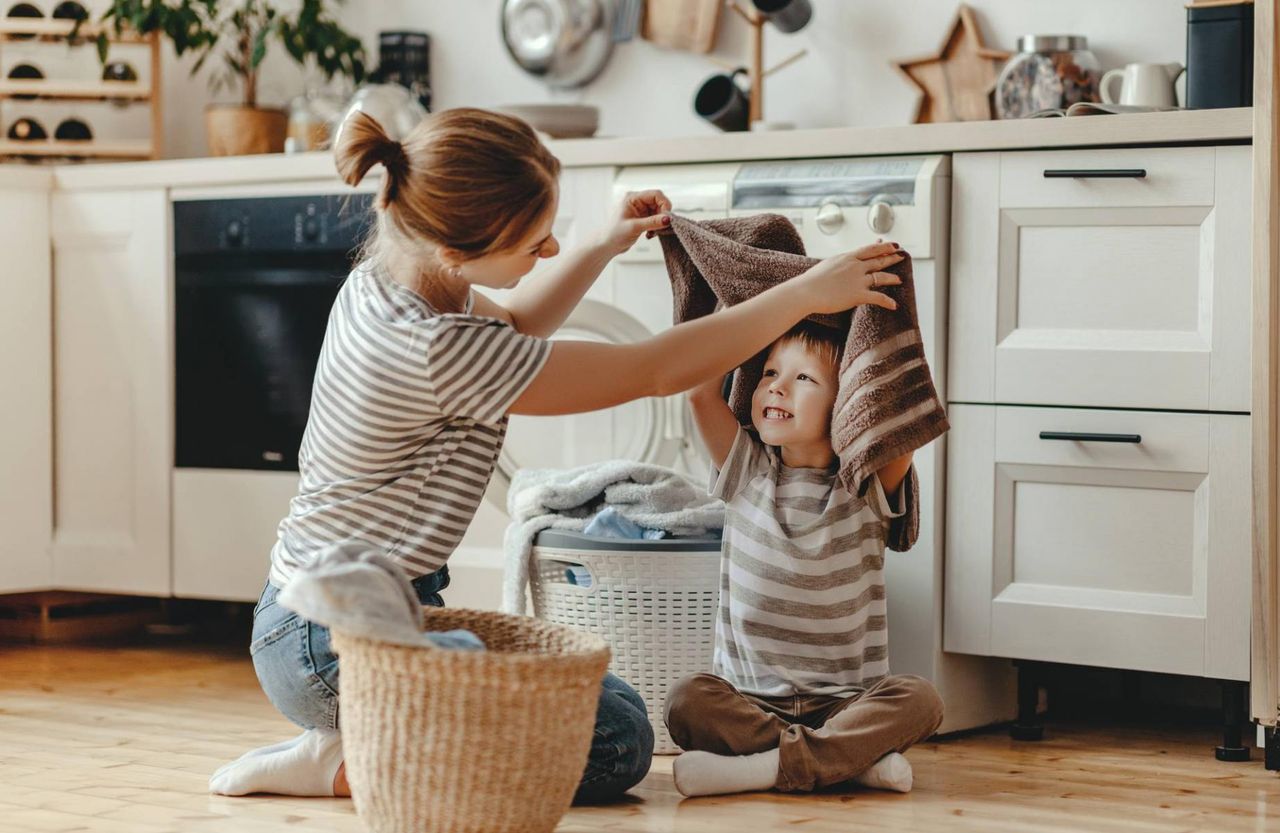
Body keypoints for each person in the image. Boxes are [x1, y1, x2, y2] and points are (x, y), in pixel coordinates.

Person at [208, 107, 905, 802]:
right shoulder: (434, 349)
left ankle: (369, 735)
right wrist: (804, 294)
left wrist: (604, 243)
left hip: (357, 614)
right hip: (326, 645)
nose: (546, 253)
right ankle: (345, 761)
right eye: (534, 242)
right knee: (615, 747)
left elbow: (517, 323)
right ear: (456, 250)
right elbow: (652, 370)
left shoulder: (394, 283)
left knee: (617, 705)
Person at [665, 320, 944, 797]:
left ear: (850, 404)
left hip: (844, 703)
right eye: (771, 371)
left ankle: (761, 769)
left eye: (804, 378)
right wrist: (746, 306)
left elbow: (905, 414)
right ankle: (847, 762)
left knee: (922, 700)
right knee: (687, 701)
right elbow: (699, 395)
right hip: (749, 701)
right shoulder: (745, 470)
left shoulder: (863, 487)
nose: (776, 385)